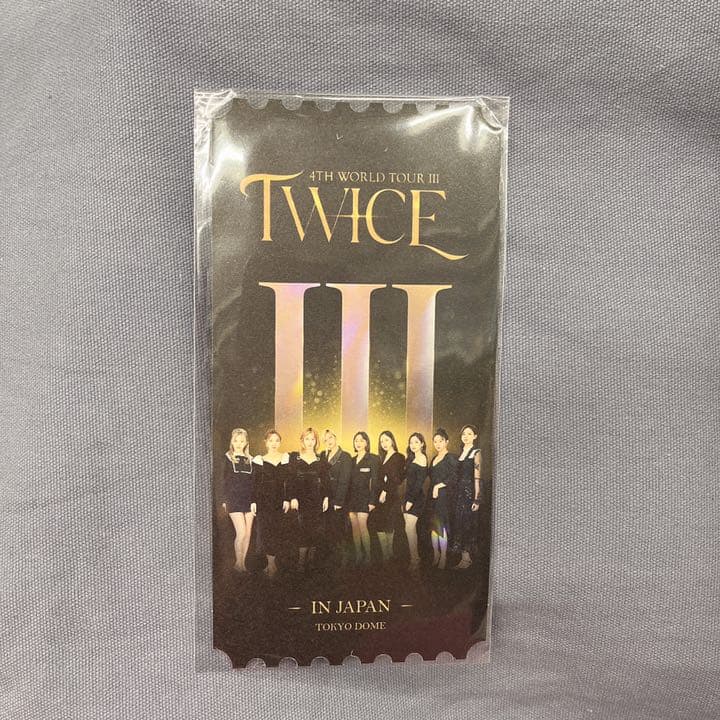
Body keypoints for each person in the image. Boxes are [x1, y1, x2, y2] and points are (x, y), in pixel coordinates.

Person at [288, 428, 330, 572]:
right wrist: (292, 497)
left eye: (312, 439)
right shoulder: (295, 458)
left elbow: (325, 481)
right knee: (302, 530)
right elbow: (291, 480)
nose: (310, 442)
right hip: (300, 500)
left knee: (315, 530)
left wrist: (326, 498)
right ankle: (301, 562)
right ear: (302, 441)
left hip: (316, 499)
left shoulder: (321, 459)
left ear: (316, 441)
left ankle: (311, 561)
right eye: (307, 439)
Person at [252, 429, 291, 578]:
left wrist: (287, 499)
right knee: (266, 532)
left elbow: (289, 481)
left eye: (277, 440)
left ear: (280, 443)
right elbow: (255, 483)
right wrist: (254, 501)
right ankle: (271, 565)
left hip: (279, 501)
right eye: (271, 440)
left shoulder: (285, 458)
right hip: (264, 501)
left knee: (277, 532)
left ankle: (273, 565)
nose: (274, 443)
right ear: (266, 442)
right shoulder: (259, 460)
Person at [220, 428, 256, 572]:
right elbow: (223, 480)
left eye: (242, 441)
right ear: (232, 442)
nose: (239, 444)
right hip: (234, 499)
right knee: (241, 533)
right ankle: (238, 563)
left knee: (248, 533)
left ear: (246, 442)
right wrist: (224, 499)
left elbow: (253, 483)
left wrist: (254, 501)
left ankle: (243, 564)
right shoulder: (227, 458)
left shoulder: (251, 460)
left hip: (249, 500)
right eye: (236, 441)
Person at [320, 429, 352, 566]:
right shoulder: (323, 455)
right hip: (326, 498)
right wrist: (325, 497)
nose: (328, 441)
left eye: (330, 438)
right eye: (325, 440)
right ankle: (330, 561)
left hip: (340, 499)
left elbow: (345, 480)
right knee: (328, 530)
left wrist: (339, 501)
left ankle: (343, 560)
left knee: (339, 529)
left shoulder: (345, 456)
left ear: (335, 438)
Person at [347, 431, 380, 565]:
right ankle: (359, 555)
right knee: (354, 528)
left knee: (362, 526)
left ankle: (368, 556)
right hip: (352, 499)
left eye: (361, 440)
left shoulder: (372, 459)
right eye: (356, 440)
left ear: (366, 442)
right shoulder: (351, 460)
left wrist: (372, 501)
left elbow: (375, 481)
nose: (358, 443)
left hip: (365, 498)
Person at [372, 430, 405, 562]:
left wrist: (385, 491)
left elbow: (397, 479)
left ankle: (389, 553)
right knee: (380, 525)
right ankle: (385, 553)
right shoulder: (381, 458)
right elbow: (381, 479)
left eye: (386, 440)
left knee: (389, 525)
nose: (384, 443)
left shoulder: (399, 457)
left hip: (391, 496)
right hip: (379, 496)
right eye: (381, 441)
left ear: (392, 440)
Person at [452, 425, 482, 570]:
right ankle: (464, 558)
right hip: (459, 493)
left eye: (469, 434)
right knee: (459, 523)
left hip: (469, 492)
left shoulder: (476, 452)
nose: (466, 436)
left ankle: (466, 559)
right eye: (464, 434)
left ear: (475, 436)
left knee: (467, 524)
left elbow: (477, 478)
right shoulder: (460, 453)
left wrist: (477, 499)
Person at [428, 428, 458, 570]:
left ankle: (444, 556)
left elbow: (454, 477)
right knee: (433, 527)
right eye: (435, 441)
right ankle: (436, 554)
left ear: (447, 442)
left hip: (444, 496)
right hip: (433, 497)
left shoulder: (450, 457)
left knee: (441, 525)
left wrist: (438, 486)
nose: (438, 444)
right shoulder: (434, 459)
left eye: (441, 441)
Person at [403, 432, 428, 570]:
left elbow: (419, 483)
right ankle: (415, 557)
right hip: (407, 496)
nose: (413, 445)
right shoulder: (411, 458)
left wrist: (411, 501)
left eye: (416, 442)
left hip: (416, 498)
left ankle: (415, 559)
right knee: (409, 530)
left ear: (422, 444)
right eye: (411, 442)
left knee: (409, 528)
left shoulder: (422, 458)